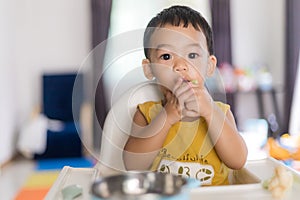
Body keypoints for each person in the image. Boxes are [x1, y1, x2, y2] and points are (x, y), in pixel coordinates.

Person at [123, 5, 247, 186]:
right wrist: (167, 116)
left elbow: (238, 161)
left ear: (210, 66)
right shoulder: (147, 113)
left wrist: (209, 111)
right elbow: (132, 164)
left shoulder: (221, 112)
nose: (180, 66)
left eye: (192, 54)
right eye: (166, 57)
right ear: (149, 69)